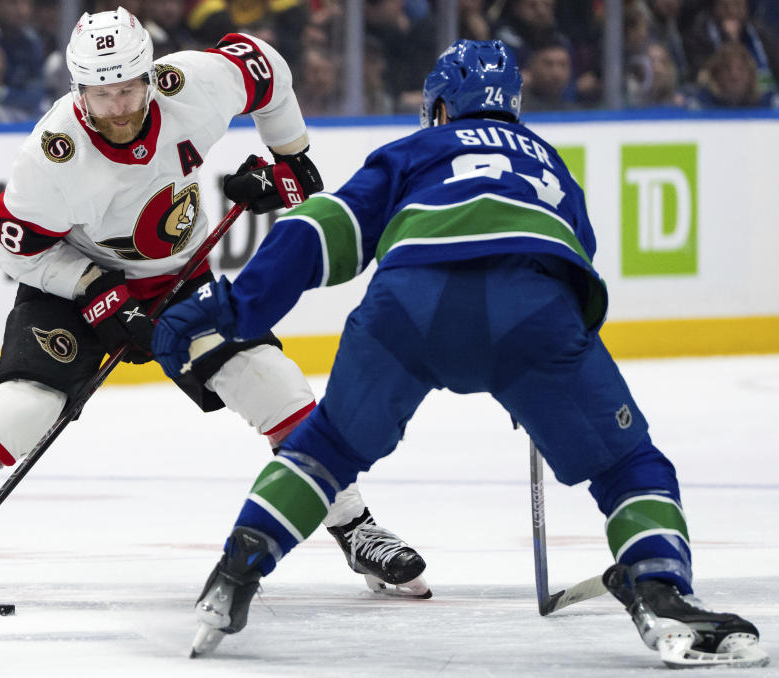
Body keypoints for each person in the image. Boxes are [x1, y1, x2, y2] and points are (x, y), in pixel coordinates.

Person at [152, 39, 770, 668]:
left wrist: (232, 308)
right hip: (534, 315)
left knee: (327, 449)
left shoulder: (414, 151)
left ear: (441, 108)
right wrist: (539, 381)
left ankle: (235, 575)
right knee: (629, 466)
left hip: (409, 304)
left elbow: (318, 230)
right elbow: (577, 269)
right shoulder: (551, 165)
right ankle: (661, 589)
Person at [0, 5, 428, 608]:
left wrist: (289, 154)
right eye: (102, 94)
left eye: (129, 87)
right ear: (79, 91)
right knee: (25, 406)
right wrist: (93, 288)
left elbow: (268, 70)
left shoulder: (193, 85)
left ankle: (357, 528)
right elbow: (8, 248)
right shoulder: (51, 158)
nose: (119, 106)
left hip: (177, 279)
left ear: (151, 75)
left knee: (272, 383)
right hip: (71, 286)